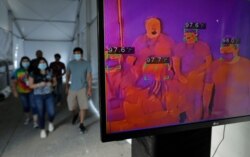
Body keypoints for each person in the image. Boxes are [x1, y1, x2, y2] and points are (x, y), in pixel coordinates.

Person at [203, 37, 250, 119]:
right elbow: (207, 90)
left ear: (236, 50)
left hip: (242, 114)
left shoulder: (247, 65)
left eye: (228, 52)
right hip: (218, 114)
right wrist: (206, 109)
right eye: (223, 52)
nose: (225, 55)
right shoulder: (214, 65)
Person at [173, 28, 212, 122]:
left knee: (196, 99)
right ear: (184, 36)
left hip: (198, 78)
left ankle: (196, 120)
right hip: (183, 78)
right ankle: (182, 118)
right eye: (187, 35)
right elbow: (175, 62)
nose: (189, 37)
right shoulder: (179, 47)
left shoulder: (203, 46)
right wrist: (179, 75)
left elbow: (209, 62)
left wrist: (197, 72)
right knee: (182, 99)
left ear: (196, 35)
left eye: (191, 34)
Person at [29, 57, 57, 139]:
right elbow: (30, 85)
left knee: (52, 112)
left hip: (49, 95)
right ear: (37, 64)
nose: (42, 64)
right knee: (41, 113)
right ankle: (42, 129)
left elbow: (55, 82)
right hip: (38, 96)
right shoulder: (33, 73)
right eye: (40, 63)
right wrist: (38, 85)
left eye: (44, 62)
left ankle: (51, 122)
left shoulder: (50, 71)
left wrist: (51, 84)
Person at [66, 47, 92, 133]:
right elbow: (68, 75)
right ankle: (76, 113)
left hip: (82, 88)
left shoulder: (86, 64)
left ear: (81, 54)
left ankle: (81, 124)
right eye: (75, 53)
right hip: (72, 88)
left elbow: (89, 76)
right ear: (73, 54)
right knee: (71, 107)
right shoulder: (70, 63)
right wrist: (66, 86)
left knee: (83, 106)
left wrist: (89, 88)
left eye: (78, 53)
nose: (77, 55)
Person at [11, 56, 38, 128]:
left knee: (34, 106)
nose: (25, 62)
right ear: (21, 62)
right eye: (24, 61)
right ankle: (28, 118)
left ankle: (35, 122)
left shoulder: (32, 70)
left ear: (29, 62)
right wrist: (14, 91)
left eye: (27, 61)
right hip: (22, 92)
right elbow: (13, 82)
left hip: (32, 91)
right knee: (26, 106)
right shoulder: (17, 71)